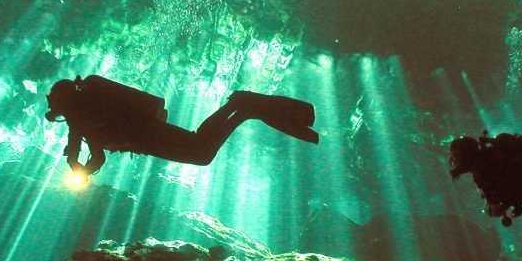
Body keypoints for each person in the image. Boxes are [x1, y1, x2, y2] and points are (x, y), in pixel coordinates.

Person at [45, 75, 318, 177]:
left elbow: (94, 153)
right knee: (200, 148)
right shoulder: (83, 115)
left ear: (65, 103)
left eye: (56, 107)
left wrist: (77, 167)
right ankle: (241, 108)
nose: (56, 113)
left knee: (200, 151)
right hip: (145, 135)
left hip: (145, 135)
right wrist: (78, 166)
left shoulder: (81, 116)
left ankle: (241, 107)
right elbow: (96, 154)